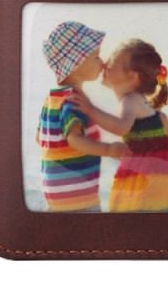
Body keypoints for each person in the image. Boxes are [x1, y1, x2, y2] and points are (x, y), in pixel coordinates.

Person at [69, 39, 168, 212]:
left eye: (112, 64)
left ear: (132, 76)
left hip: (149, 174)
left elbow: (121, 127)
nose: (105, 65)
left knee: (130, 215)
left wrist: (90, 110)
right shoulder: (140, 101)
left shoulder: (130, 101)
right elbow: (162, 118)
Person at [38, 21, 128, 212]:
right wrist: (109, 149)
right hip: (77, 198)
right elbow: (74, 140)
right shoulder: (74, 100)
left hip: (56, 196)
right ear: (76, 64)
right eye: (96, 57)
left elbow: (40, 137)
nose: (102, 62)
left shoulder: (52, 99)